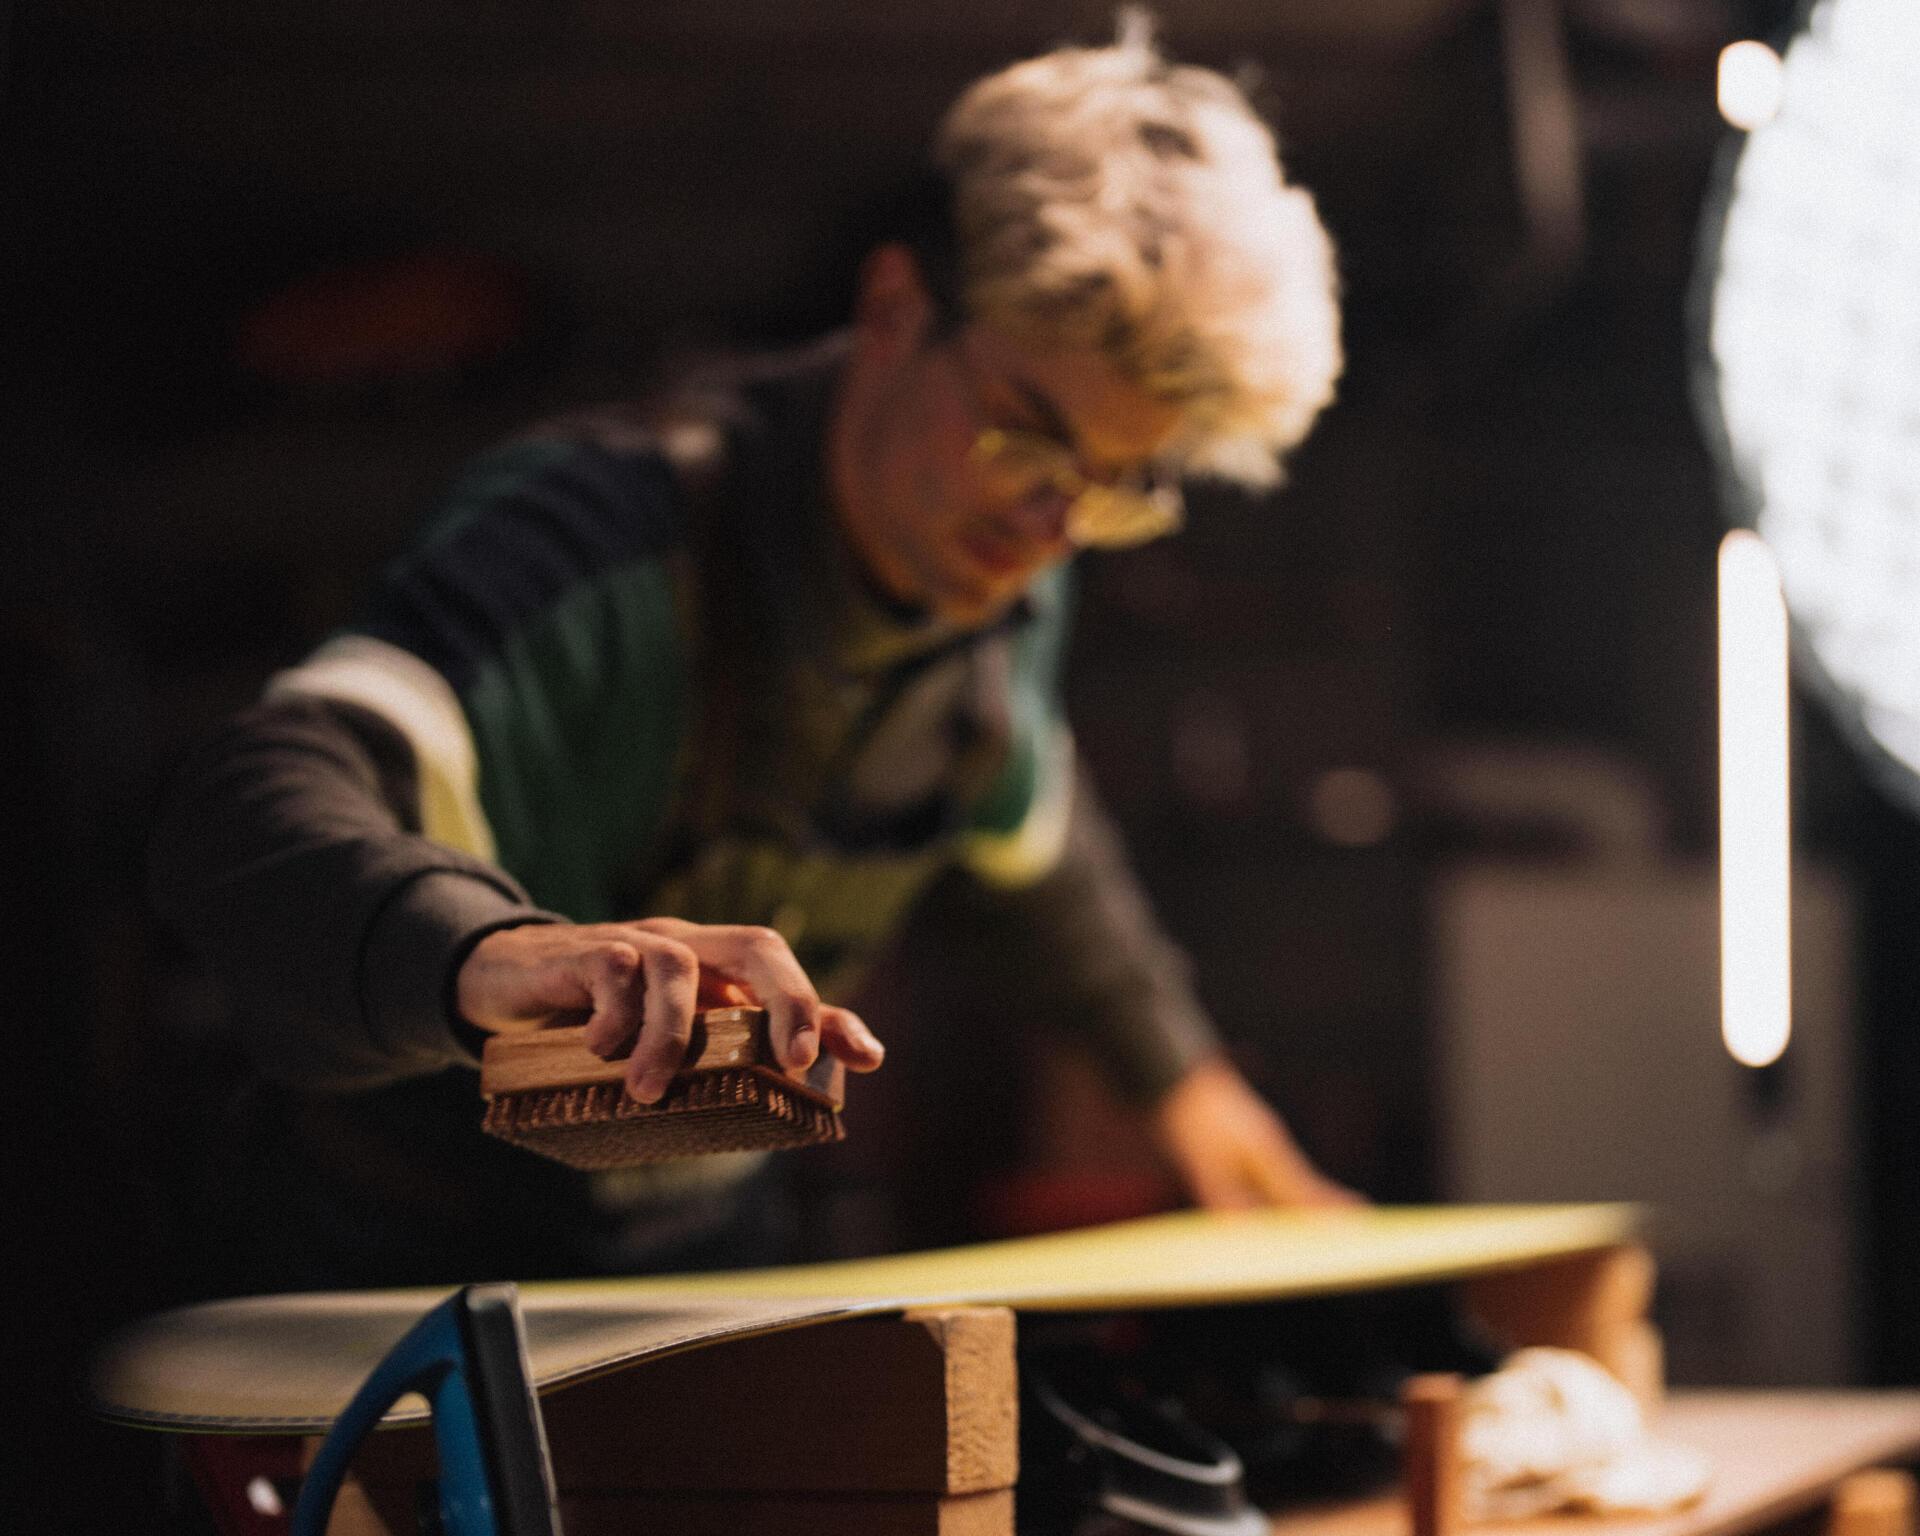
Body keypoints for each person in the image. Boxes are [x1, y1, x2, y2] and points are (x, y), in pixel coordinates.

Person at [149, 18, 1352, 1294]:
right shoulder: (605, 543)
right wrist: (479, 958)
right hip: (395, 1261)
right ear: (895, 307)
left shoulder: (1002, 608)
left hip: (700, 1254)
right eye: (1025, 440)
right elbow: (243, 808)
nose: (1048, 530)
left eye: (1113, 491)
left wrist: (1187, 1087)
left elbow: (1034, 853)